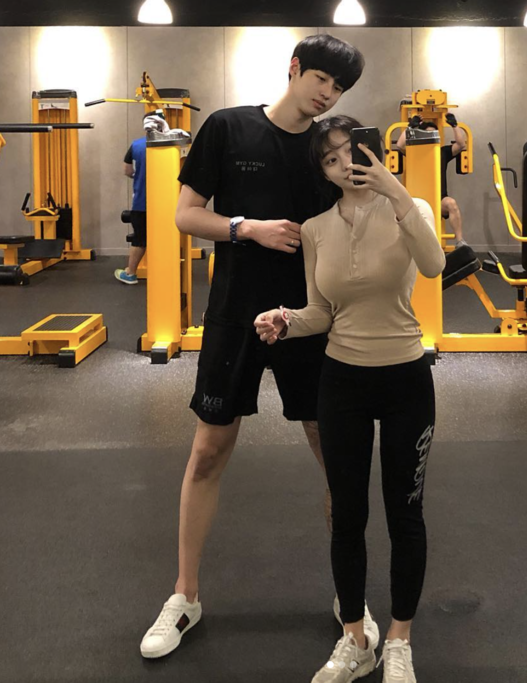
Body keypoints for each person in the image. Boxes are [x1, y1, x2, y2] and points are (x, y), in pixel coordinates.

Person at [139, 35, 371, 660]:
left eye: (339, 88)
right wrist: (248, 229)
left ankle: (351, 599)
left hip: (311, 320)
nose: (328, 94)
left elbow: (360, 218)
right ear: (295, 69)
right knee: (208, 452)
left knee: (336, 459)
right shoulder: (227, 128)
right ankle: (185, 595)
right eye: (321, 79)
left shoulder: (330, 150)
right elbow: (186, 215)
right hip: (236, 315)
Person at [254, 115, 446, 683]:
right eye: (330, 159)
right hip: (342, 382)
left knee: (405, 513)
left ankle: (400, 640)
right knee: (347, 515)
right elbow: (321, 311)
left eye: (351, 153)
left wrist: (396, 190)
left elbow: (434, 266)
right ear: (324, 171)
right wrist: (286, 320)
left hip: (406, 377)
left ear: (372, 152)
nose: (345, 166)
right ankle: (355, 638)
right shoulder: (316, 229)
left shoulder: (412, 209)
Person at [397, 112, 468, 247]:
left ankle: (460, 242)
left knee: (451, 203)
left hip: (439, 200)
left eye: (434, 134)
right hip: (417, 200)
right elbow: (400, 145)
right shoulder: (414, 152)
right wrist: (410, 127)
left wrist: (454, 125)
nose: (431, 137)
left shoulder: (442, 152)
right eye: (428, 134)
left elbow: (460, 145)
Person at [115, 122, 147, 284]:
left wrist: (139, 176)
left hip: (142, 203)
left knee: (140, 239)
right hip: (167, 203)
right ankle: (168, 273)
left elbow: (127, 170)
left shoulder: (136, 145)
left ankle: (130, 273)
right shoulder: (172, 145)